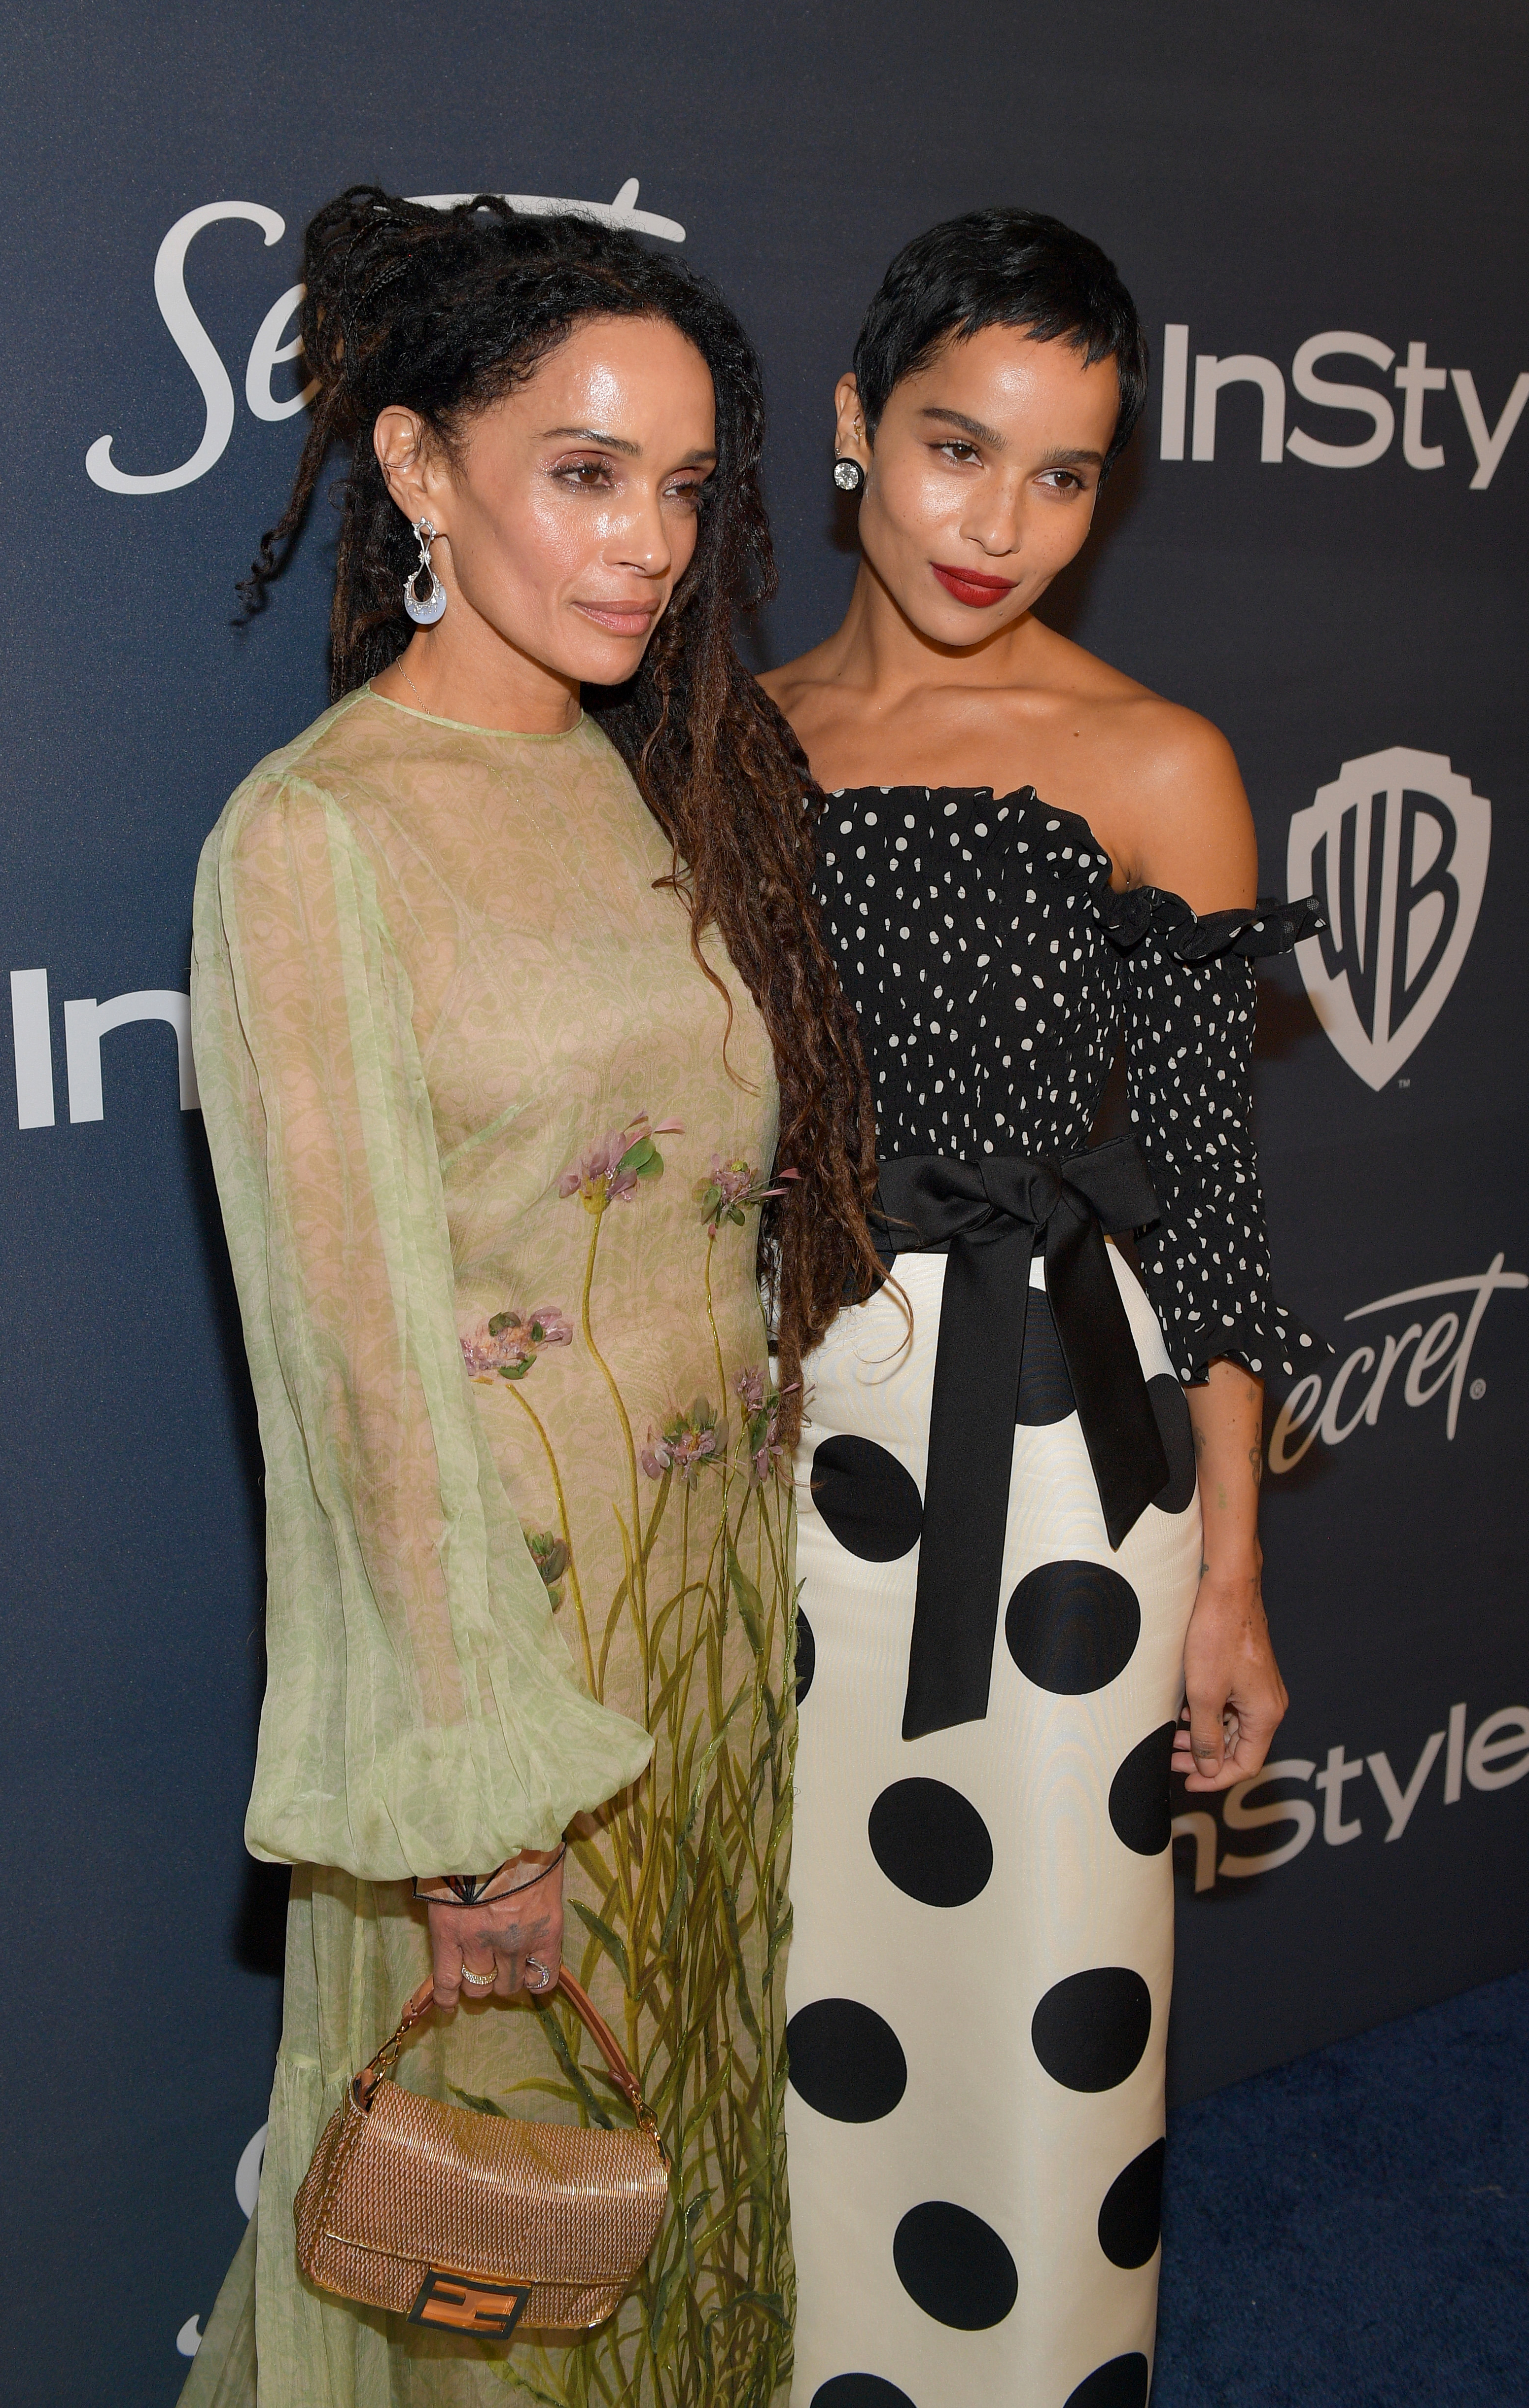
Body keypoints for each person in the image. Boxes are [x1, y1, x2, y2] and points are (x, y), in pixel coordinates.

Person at [181, 187, 879, 2408]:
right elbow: (362, 1365)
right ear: (415, 470)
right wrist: (481, 1811)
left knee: (661, 2196)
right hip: (499, 1704)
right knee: (502, 2272)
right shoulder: (314, 841)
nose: (646, 542)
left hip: (694, 1650)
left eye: (679, 487)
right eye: (582, 474)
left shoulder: (628, 775)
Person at [761, 209, 1324, 2408]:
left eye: (1063, 474)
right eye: (951, 449)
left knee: (1043, 2008)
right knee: (799, 1992)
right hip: (780, 1455)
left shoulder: (1152, 759)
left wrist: (1235, 1578)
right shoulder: (720, 741)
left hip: (1061, 1481)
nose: (1000, 524)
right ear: (846, 435)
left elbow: (1205, 1198)